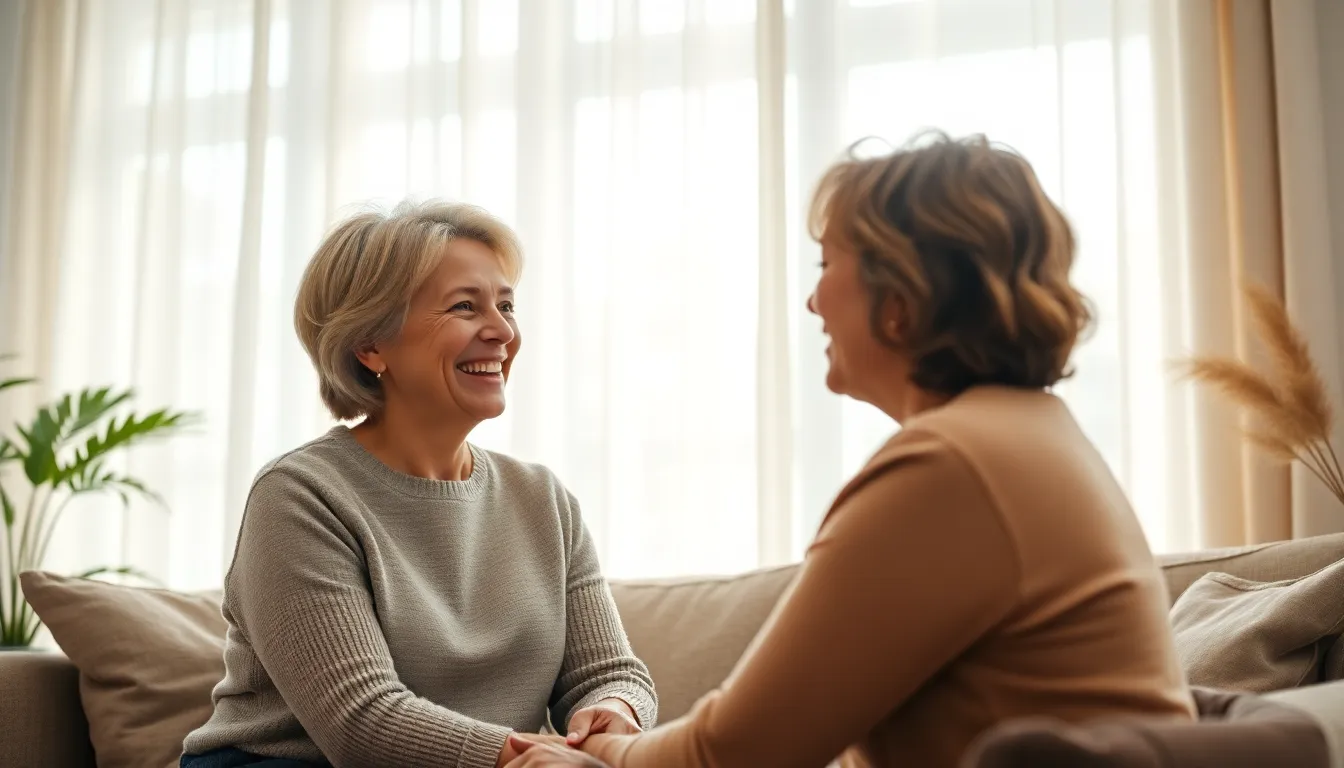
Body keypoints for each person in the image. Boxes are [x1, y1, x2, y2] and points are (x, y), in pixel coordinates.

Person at [507, 132, 1195, 768]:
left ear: (899, 294)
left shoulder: (951, 465)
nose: (812, 301)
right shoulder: (1028, 432)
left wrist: (606, 757)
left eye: (826, 263)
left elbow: (736, 756)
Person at [180, 201, 658, 768]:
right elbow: (361, 720)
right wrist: (524, 755)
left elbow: (610, 673)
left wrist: (614, 712)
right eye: (465, 306)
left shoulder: (544, 500)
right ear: (370, 345)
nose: (503, 331)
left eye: (506, 305)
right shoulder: (300, 496)